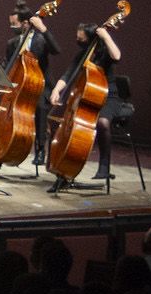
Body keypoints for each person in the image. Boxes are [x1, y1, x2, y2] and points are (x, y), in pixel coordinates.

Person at [0, 0, 60, 170]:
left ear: (25, 23)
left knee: (38, 107)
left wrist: (43, 28)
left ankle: (39, 150)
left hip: (38, 87)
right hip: (14, 88)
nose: (12, 27)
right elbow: (6, 66)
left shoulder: (40, 39)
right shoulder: (13, 43)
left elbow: (56, 49)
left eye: (14, 24)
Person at [49, 20, 128, 186]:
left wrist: (106, 35)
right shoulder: (83, 55)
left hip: (109, 98)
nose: (79, 42)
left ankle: (104, 167)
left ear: (92, 39)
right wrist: (57, 89)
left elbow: (117, 55)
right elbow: (68, 74)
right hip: (87, 99)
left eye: (82, 39)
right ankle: (63, 173)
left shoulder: (106, 53)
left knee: (103, 123)